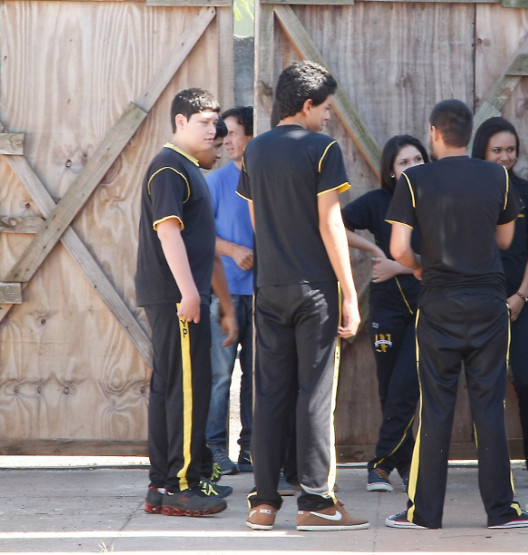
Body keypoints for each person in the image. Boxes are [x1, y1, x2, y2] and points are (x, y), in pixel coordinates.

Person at [384, 99, 528, 530]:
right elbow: (507, 241)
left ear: (434, 132)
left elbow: (397, 249)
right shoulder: (496, 176)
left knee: (436, 405)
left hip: (437, 304)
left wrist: (419, 266)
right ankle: (502, 510)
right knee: (489, 404)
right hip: (489, 303)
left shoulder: (414, 179)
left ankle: (424, 513)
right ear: (470, 134)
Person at [239, 61, 368, 531]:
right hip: (314, 288)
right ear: (307, 105)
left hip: (268, 288)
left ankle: (263, 504)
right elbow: (331, 223)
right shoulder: (322, 148)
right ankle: (316, 502)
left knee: (270, 394)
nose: (329, 116)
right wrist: (351, 295)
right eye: (327, 107)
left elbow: (256, 223)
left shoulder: (254, 151)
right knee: (314, 394)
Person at [136, 88, 236, 517]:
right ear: (180, 122)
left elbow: (203, 243)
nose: (214, 131)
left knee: (170, 389)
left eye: (216, 123)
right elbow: (169, 231)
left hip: (180, 297)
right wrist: (190, 293)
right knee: (186, 392)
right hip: (178, 298)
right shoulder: (169, 167)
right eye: (204, 122)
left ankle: (162, 484)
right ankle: (182, 485)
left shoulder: (188, 169)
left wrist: (224, 302)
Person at [342, 135, 428, 492]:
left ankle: (379, 464)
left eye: (418, 159)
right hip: (386, 308)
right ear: (391, 172)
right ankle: (405, 465)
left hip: (426, 306)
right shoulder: (377, 202)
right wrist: (374, 248)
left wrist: (398, 267)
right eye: (403, 162)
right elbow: (334, 224)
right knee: (388, 385)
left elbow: (444, 259)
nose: (411, 167)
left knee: (407, 385)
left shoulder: (436, 201)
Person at [471, 117, 528, 479]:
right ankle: (490, 461)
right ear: (482, 151)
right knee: (486, 384)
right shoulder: (470, 191)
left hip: (520, 303)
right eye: (497, 150)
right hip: (480, 304)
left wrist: (520, 296)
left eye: (510, 150)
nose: (505, 157)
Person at [204, 106, 256, 477]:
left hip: (262, 295)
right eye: (226, 134)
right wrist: (234, 250)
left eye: (235, 133)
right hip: (223, 296)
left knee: (258, 377)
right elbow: (202, 237)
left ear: (252, 137)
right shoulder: (215, 182)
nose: (227, 140)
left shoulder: (266, 181)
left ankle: (252, 449)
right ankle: (215, 450)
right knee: (220, 377)